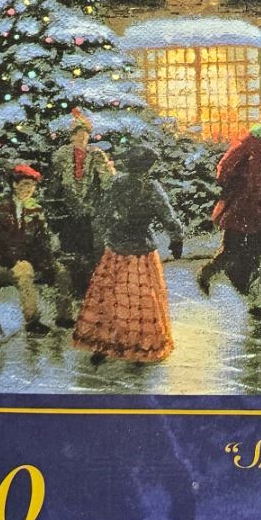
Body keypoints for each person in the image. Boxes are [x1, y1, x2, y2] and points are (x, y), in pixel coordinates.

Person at [72, 144, 183, 365]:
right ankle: (140, 345)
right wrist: (176, 239)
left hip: (116, 249)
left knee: (109, 296)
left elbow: (103, 214)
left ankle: (104, 342)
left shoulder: (117, 183)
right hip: (141, 251)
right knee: (140, 299)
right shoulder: (151, 187)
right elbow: (168, 217)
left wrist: (103, 237)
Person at [197, 92, 261, 323]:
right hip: (242, 208)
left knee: (253, 257)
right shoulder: (250, 141)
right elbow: (224, 168)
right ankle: (208, 273)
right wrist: (239, 188)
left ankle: (254, 303)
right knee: (231, 251)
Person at [0, 162, 73, 332]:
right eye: (26, 184)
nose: (29, 189)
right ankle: (32, 320)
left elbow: (42, 240)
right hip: (3, 262)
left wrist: (49, 261)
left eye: (33, 186)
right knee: (24, 270)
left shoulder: (35, 209)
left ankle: (64, 317)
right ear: (15, 184)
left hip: (30, 260)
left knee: (61, 271)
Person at [47, 108, 114, 297]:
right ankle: (76, 289)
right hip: (69, 211)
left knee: (93, 248)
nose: (81, 137)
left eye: (84, 134)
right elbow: (55, 183)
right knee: (72, 249)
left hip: (92, 210)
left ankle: (94, 288)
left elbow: (107, 181)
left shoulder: (96, 154)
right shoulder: (62, 155)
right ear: (71, 136)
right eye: (77, 134)